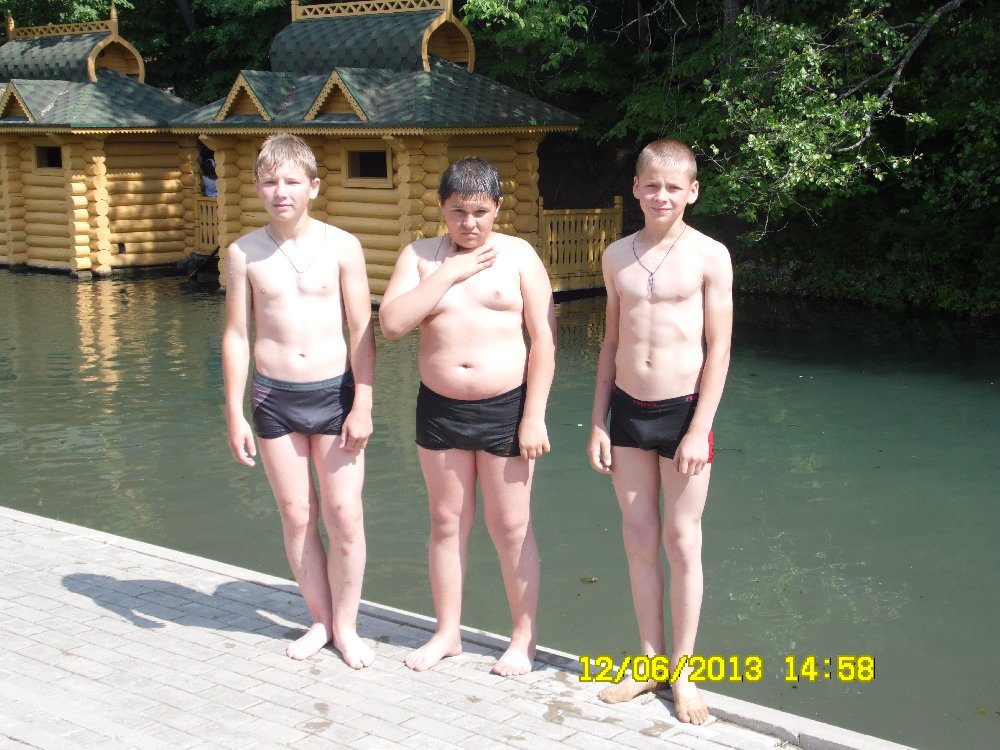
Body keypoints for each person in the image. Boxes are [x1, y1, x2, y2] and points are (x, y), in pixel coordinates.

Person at [379, 156, 556, 677]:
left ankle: (522, 638)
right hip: (440, 408)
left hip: (507, 408)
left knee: (512, 526)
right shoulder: (419, 257)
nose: (469, 223)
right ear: (442, 208)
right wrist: (449, 273)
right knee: (446, 521)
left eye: (480, 212)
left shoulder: (519, 256)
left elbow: (544, 341)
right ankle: (447, 633)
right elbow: (391, 324)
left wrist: (534, 416)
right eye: (458, 212)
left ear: (497, 207)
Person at [587, 139, 733, 723]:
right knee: (638, 537)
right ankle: (650, 662)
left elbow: (720, 348)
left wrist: (700, 429)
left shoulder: (710, 256)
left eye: (674, 187)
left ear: (692, 191)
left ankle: (684, 670)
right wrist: (597, 421)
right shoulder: (615, 256)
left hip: (684, 413)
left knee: (682, 540)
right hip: (627, 411)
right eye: (652, 185)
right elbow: (610, 343)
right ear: (636, 189)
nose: (662, 196)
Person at [222, 133, 376, 669]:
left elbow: (362, 329)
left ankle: (348, 626)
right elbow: (237, 334)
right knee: (296, 514)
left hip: (335, 394)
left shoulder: (343, 246)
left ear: (313, 186)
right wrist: (234, 412)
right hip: (273, 397)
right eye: (269, 182)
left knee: (344, 515)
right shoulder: (243, 253)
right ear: (257, 187)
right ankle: (321, 620)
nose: (280, 191)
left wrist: (364, 403)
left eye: (291, 181)